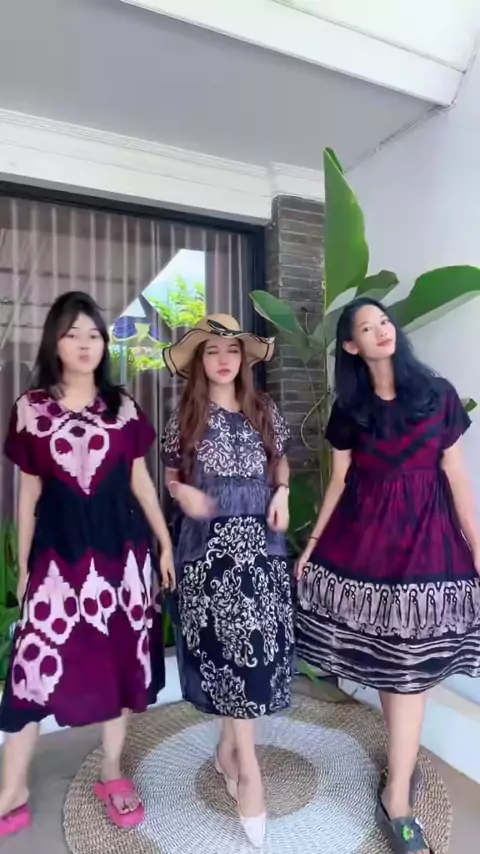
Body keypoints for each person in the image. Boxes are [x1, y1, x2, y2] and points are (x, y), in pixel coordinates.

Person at [296, 297, 480, 854]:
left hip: (427, 542)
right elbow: (339, 481)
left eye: (384, 322)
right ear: (351, 346)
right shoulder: (351, 409)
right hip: (368, 544)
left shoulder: (437, 395)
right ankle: (400, 768)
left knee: (414, 669)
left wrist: (477, 545)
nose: (381, 330)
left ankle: (396, 794)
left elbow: (456, 476)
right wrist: (313, 544)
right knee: (387, 660)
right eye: (367, 327)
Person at [0, 291, 175, 838]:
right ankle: (12, 789)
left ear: (104, 344)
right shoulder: (30, 408)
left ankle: (112, 770)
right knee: (30, 672)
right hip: (58, 560)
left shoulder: (124, 408)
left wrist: (165, 543)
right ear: (54, 342)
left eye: (94, 334)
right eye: (72, 333)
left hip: (123, 559)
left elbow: (141, 483)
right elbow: (28, 495)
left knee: (119, 663)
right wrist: (23, 564)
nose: (84, 343)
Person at [161, 314, 294, 848]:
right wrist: (182, 492)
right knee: (230, 656)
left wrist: (282, 493)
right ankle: (249, 773)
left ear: (243, 359)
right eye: (212, 350)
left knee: (254, 657)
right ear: (200, 360)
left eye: (232, 350)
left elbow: (280, 464)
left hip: (261, 547)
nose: (223, 359)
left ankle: (227, 751)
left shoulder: (264, 410)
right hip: (208, 550)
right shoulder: (186, 415)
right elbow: (171, 476)